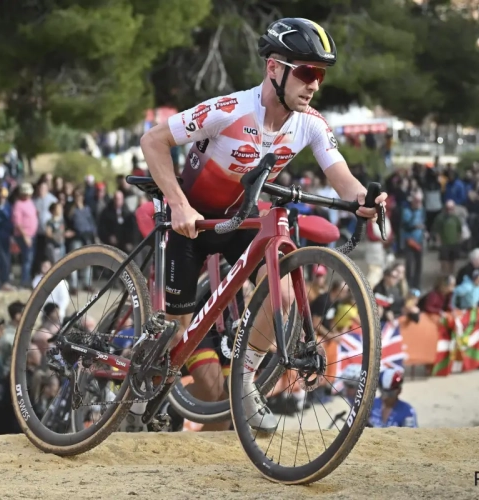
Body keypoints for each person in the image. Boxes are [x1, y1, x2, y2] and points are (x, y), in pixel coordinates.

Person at [138, 18, 387, 433]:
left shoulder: (310, 123)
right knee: (177, 339)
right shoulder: (231, 110)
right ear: (274, 69)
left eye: (320, 75)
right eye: (306, 72)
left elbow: (343, 178)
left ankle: (245, 380)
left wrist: (363, 198)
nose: (315, 84)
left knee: (283, 295)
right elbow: (153, 140)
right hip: (192, 223)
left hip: (239, 219)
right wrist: (178, 204)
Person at [342, 365, 417, 428]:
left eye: (389, 394)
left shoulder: (408, 411)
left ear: (399, 391)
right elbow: (353, 400)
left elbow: (411, 437)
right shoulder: (370, 405)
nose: (385, 397)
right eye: (382, 392)